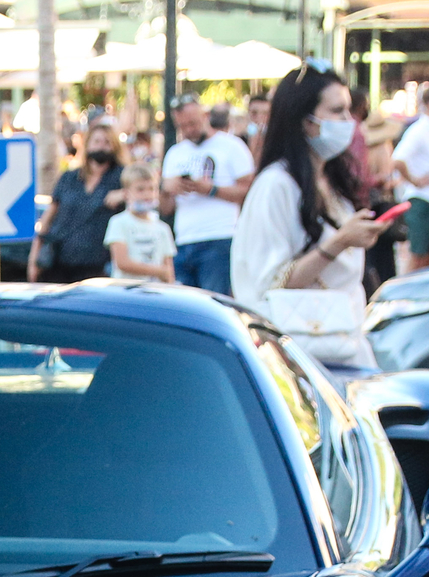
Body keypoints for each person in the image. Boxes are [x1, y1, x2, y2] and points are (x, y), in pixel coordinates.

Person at [230, 66, 390, 366]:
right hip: (303, 358)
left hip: (344, 343)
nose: (348, 122)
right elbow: (269, 284)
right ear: (306, 121)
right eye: (337, 111)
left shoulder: (331, 181)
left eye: (349, 111)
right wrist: (340, 242)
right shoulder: (277, 185)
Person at [159, 95, 254, 294]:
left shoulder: (231, 146)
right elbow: (166, 208)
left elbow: (248, 192)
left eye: (193, 123)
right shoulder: (175, 153)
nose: (189, 130)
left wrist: (210, 189)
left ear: (205, 115)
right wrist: (167, 190)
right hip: (183, 239)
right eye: (183, 126)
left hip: (219, 236)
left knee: (214, 302)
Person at [28, 116, 124, 283]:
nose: (101, 146)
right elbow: (48, 217)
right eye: (97, 141)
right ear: (87, 145)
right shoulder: (69, 178)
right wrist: (34, 258)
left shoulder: (121, 177)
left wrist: (124, 193)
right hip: (58, 263)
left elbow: (145, 189)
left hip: (98, 268)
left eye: (107, 142)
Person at [391, 83, 429, 269]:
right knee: (418, 254)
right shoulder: (419, 129)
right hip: (422, 200)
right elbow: (398, 159)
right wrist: (414, 180)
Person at [104, 161, 176, 281]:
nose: (147, 195)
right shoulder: (118, 222)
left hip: (155, 293)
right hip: (127, 293)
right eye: (140, 190)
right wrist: (159, 271)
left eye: (152, 189)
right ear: (126, 193)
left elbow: (169, 272)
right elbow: (122, 263)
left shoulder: (163, 228)